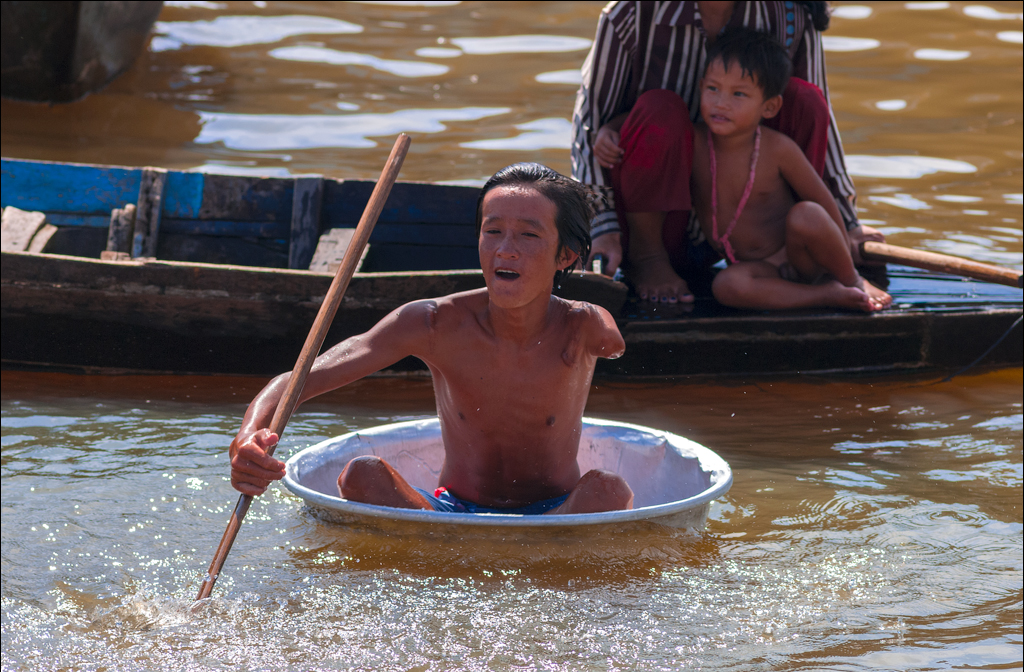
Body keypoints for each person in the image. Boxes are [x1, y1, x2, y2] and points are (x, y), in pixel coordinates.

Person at [229, 163, 631, 515]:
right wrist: (248, 439)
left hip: (556, 514)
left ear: (566, 256)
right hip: (447, 510)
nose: (505, 250)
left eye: (528, 236)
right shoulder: (433, 323)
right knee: (361, 475)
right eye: (493, 231)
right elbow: (299, 379)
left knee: (607, 489)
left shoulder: (583, 325)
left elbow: (613, 343)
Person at [571, 1, 885, 303]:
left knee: (805, 100)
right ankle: (649, 258)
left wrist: (847, 226)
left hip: (759, 229)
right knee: (660, 110)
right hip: (653, 218)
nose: (722, 102)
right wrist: (602, 226)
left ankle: (795, 258)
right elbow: (592, 124)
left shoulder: (792, 14)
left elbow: (820, 116)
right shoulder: (630, 12)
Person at [691, 28, 891, 311]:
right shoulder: (695, 142)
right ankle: (826, 295)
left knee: (807, 214)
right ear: (700, 88)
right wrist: (610, 131)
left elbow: (823, 201)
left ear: (770, 107)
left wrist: (845, 250)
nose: (721, 103)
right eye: (713, 88)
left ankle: (852, 283)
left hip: (797, 255)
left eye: (738, 93)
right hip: (758, 267)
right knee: (726, 285)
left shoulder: (777, 149)